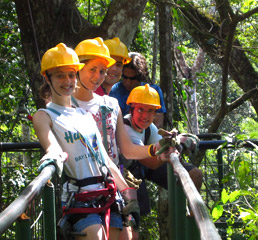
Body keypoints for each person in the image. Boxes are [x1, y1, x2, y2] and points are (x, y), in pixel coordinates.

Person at [33, 43, 139, 240]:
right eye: (60, 75)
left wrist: (127, 192)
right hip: (80, 199)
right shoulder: (45, 115)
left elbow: (104, 159)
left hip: (106, 193)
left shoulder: (84, 114)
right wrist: (53, 157)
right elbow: (52, 146)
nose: (68, 81)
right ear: (47, 77)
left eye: (71, 74)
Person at [71, 37, 173, 240]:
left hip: (113, 182)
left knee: (128, 235)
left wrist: (158, 148)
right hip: (81, 188)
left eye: (103, 69)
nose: (102, 74)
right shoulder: (69, 104)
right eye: (94, 69)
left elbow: (124, 148)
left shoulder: (110, 103)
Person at [122, 84, 203, 240]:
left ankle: (193, 221)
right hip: (126, 174)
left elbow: (159, 149)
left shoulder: (148, 127)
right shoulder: (125, 128)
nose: (145, 116)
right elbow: (151, 162)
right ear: (131, 109)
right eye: (140, 110)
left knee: (194, 174)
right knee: (133, 227)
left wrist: (176, 142)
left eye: (150, 111)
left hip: (143, 167)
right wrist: (168, 146)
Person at [109, 52, 166, 128]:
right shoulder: (114, 90)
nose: (128, 82)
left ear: (140, 77)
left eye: (132, 79)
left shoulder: (153, 92)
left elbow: (159, 124)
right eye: (125, 77)